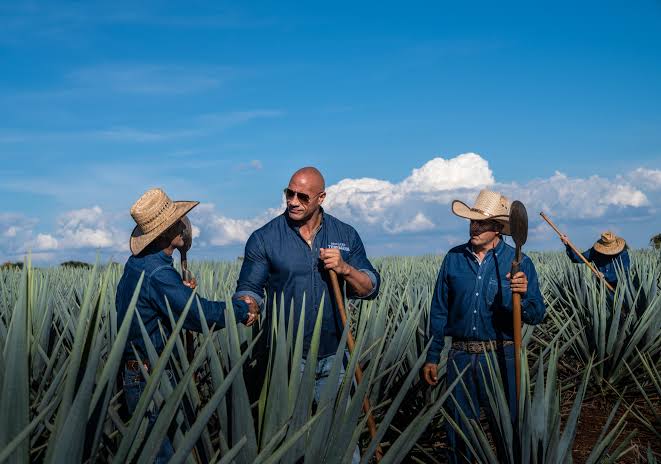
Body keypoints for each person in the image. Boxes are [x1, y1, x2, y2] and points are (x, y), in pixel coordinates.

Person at [234, 167, 380, 462]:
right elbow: (249, 287)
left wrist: (345, 269)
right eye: (289, 193)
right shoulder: (265, 238)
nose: (293, 201)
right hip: (288, 362)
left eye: (303, 196)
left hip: (335, 356)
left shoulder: (345, 234)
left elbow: (370, 287)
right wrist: (248, 303)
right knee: (291, 445)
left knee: (342, 443)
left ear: (321, 197)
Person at [116, 187, 259, 463]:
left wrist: (177, 293)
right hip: (151, 377)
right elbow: (200, 315)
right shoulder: (159, 273)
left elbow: (151, 307)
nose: (184, 226)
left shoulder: (138, 264)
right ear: (168, 232)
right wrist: (243, 309)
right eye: (178, 222)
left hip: (139, 372)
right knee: (163, 457)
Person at [422, 189, 546, 463]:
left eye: (482, 223)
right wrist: (433, 357)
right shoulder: (454, 258)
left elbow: (538, 314)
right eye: (472, 222)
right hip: (461, 357)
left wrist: (523, 296)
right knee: (459, 430)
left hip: (501, 356)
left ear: (499, 229)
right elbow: (439, 311)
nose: (474, 227)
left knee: (508, 428)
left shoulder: (519, 262)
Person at [560, 231, 630, 288]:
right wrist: (568, 244)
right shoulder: (596, 251)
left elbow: (624, 274)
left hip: (619, 289)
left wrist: (604, 275)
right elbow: (578, 259)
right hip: (600, 289)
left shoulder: (622, 254)